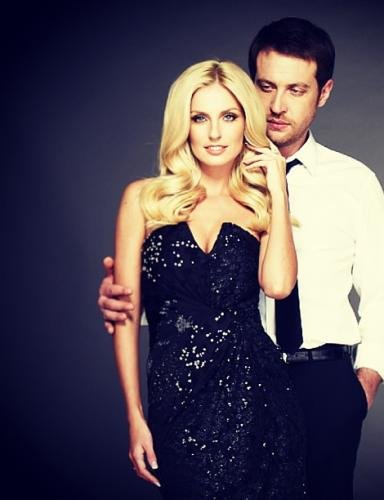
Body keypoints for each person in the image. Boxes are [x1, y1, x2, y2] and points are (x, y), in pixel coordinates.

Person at [99, 18, 384, 500]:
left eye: (296, 89)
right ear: (248, 89)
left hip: (321, 379)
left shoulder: (353, 182)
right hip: (217, 381)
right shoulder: (200, 183)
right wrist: (125, 297)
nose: (278, 105)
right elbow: (189, 295)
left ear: (323, 93)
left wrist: (360, 389)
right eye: (266, 87)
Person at [111, 59, 306, 499]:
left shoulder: (258, 205)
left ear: (246, 123)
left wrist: (277, 187)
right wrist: (134, 416)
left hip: (258, 396)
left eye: (228, 117)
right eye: (200, 118)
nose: (215, 133)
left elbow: (278, 286)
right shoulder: (143, 200)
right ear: (183, 125)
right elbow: (125, 317)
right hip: (176, 399)